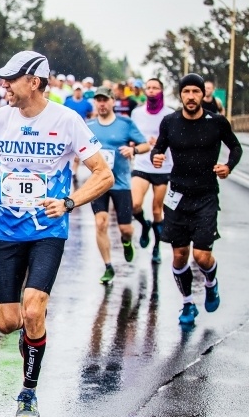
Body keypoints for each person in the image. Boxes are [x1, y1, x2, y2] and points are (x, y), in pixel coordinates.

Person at [0, 51, 113, 417]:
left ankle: (28, 393)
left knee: (34, 309)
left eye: (11, 80)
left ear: (34, 82)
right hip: (6, 228)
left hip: (47, 230)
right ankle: (31, 334)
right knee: (8, 322)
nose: (3, 86)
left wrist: (69, 201)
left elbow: (104, 175)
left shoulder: (67, 120)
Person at [151, 73, 242, 326]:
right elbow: (159, 148)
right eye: (186, 92)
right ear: (180, 95)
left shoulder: (217, 122)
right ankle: (188, 303)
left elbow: (236, 148)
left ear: (203, 95)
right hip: (177, 197)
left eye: (196, 92)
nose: (191, 97)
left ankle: (211, 283)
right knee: (179, 255)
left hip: (205, 196)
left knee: (201, 256)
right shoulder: (169, 122)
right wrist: (156, 157)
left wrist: (228, 166)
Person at [87, 86, 150, 284]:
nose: (102, 103)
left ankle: (127, 240)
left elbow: (145, 145)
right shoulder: (88, 126)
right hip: (98, 184)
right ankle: (108, 267)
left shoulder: (125, 123)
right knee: (100, 223)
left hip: (121, 183)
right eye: (98, 100)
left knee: (125, 229)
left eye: (105, 100)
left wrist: (133, 151)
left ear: (113, 101)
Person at [131, 78, 174, 264]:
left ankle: (156, 247)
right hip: (141, 164)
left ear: (161, 91)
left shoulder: (170, 115)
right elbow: (132, 136)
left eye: (155, 88)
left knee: (157, 210)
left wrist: (161, 143)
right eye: (148, 88)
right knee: (134, 204)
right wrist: (136, 144)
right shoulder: (136, 113)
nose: (151, 90)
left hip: (162, 166)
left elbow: (177, 140)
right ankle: (144, 224)